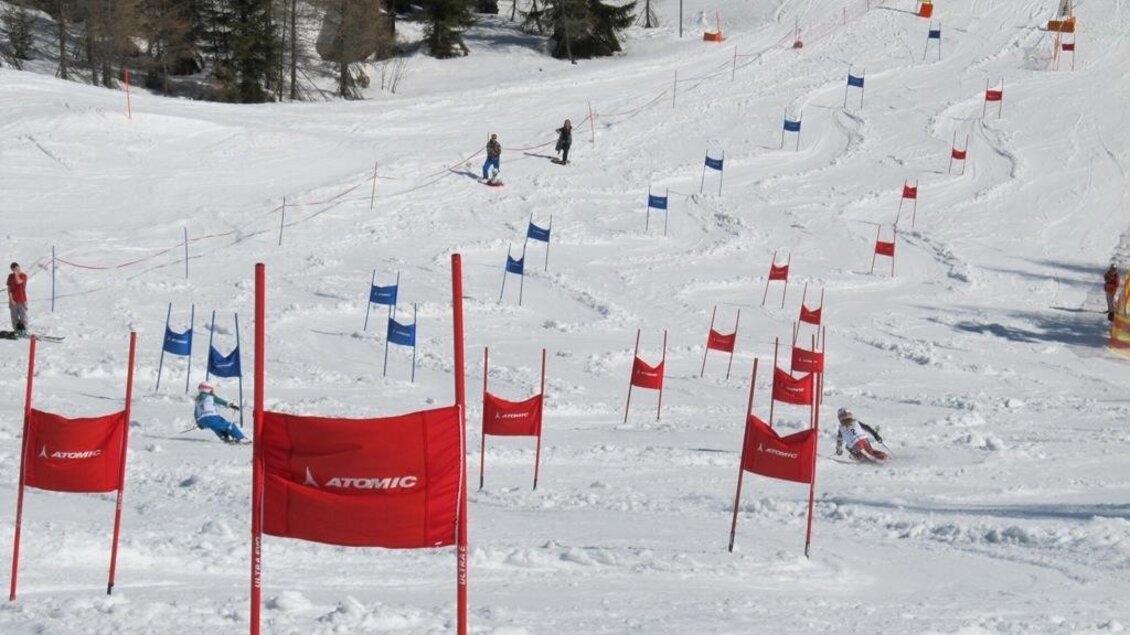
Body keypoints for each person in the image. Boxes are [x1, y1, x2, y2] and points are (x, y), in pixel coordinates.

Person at [6, 262, 28, 337]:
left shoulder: (23, 275)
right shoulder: (10, 276)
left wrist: (16, 274)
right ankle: (16, 331)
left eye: (16, 269)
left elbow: (19, 282)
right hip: (13, 300)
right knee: (14, 317)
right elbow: (9, 289)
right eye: (13, 269)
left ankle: (25, 331)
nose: (15, 270)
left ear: (19, 267)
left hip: (21, 299)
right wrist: (11, 299)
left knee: (23, 317)